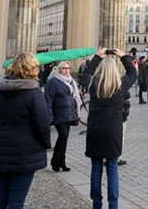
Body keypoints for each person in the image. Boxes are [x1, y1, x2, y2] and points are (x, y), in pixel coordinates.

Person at [0, 52, 51, 209]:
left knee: (0, 197)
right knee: (16, 201)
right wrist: (46, 144)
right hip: (24, 154)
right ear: (33, 69)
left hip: (1, 151)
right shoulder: (34, 94)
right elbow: (43, 125)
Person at [82, 48, 137, 209]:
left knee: (96, 168)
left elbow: (86, 73)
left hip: (95, 131)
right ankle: (113, 205)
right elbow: (133, 73)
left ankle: (96, 204)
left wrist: (97, 57)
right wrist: (124, 57)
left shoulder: (93, 85)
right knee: (112, 170)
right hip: (113, 132)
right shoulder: (120, 86)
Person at [45, 60, 81, 172]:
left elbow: (74, 98)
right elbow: (48, 100)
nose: (66, 70)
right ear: (59, 69)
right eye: (64, 68)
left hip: (69, 114)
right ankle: (55, 160)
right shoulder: (53, 82)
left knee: (65, 138)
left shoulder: (71, 82)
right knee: (63, 136)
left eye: (68, 68)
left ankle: (62, 162)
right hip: (58, 114)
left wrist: (76, 114)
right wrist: (49, 116)